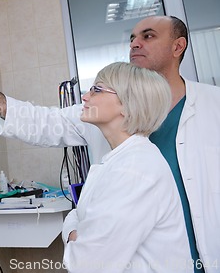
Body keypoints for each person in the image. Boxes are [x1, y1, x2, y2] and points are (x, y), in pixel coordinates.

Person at [0, 15, 220, 272]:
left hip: (203, 250)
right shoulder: (108, 123)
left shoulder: (212, 104)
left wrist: (73, 228)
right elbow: (43, 122)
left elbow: (86, 257)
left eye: (148, 36)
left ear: (178, 46)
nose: (134, 44)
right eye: (132, 38)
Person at [62, 61, 190, 272]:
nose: (85, 96)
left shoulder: (135, 169)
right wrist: (76, 233)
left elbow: (87, 264)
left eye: (97, 89)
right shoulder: (120, 160)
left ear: (128, 104)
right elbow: (79, 219)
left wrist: (71, 231)